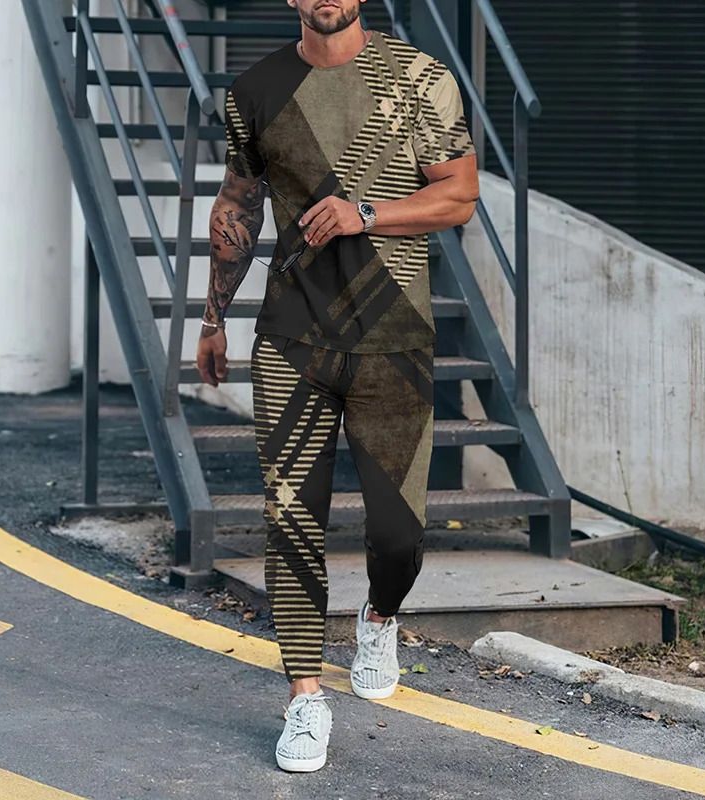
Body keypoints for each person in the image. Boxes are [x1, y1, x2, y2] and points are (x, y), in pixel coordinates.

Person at [196, 0, 478, 773]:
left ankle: (379, 616)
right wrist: (213, 317)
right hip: (292, 337)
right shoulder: (254, 91)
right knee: (291, 518)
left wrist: (366, 214)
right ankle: (304, 697)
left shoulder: (418, 77)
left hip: (394, 340)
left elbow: (459, 194)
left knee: (400, 533)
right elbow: (237, 204)